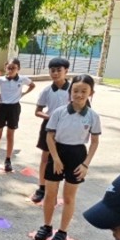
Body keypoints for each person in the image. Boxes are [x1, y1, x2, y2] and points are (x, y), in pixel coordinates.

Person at [34, 75, 101, 240]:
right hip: (58, 152)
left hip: (77, 154)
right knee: (50, 194)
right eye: (75, 91)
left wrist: (85, 164)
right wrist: (55, 158)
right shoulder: (59, 112)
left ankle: (62, 231)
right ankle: (47, 226)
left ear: (91, 93)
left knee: (69, 197)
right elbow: (50, 136)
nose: (79, 95)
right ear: (70, 93)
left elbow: (94, 142)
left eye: (84, 91)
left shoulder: (93, 116)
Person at [31, 57, 72, 204]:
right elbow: (38, 111)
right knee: (45, 158)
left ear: (66, 71)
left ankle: (53, 190)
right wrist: (50, 117)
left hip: (66, 129)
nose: (55, 73)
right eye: (52, 70)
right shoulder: (47, 90)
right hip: (49, 127)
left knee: (61, 159)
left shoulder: (73, 89)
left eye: (59, 70)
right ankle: (41, 188)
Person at [0, 57, 35, 172]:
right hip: (2, 107)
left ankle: (8, 160)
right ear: (5, 68)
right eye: (9, 68)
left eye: (14, 68)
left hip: (14, 108)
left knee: (10, 135)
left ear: (18, 69)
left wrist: (23, 93)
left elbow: (32, 85)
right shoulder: (1, 80)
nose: (11, 70)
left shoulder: (22, 79)